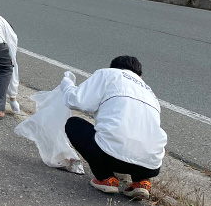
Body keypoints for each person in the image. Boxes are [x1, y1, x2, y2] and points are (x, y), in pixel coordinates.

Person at [60, 56, 167, 200]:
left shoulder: (108, 74)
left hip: (110, 156)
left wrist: (67, 85)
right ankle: (141, 182)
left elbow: (77, 101)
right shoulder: (150, 93)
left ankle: (106, 178)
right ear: (139, 75)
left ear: (113, 68)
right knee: (143, 138)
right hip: (151, 166)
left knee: (74, 124)